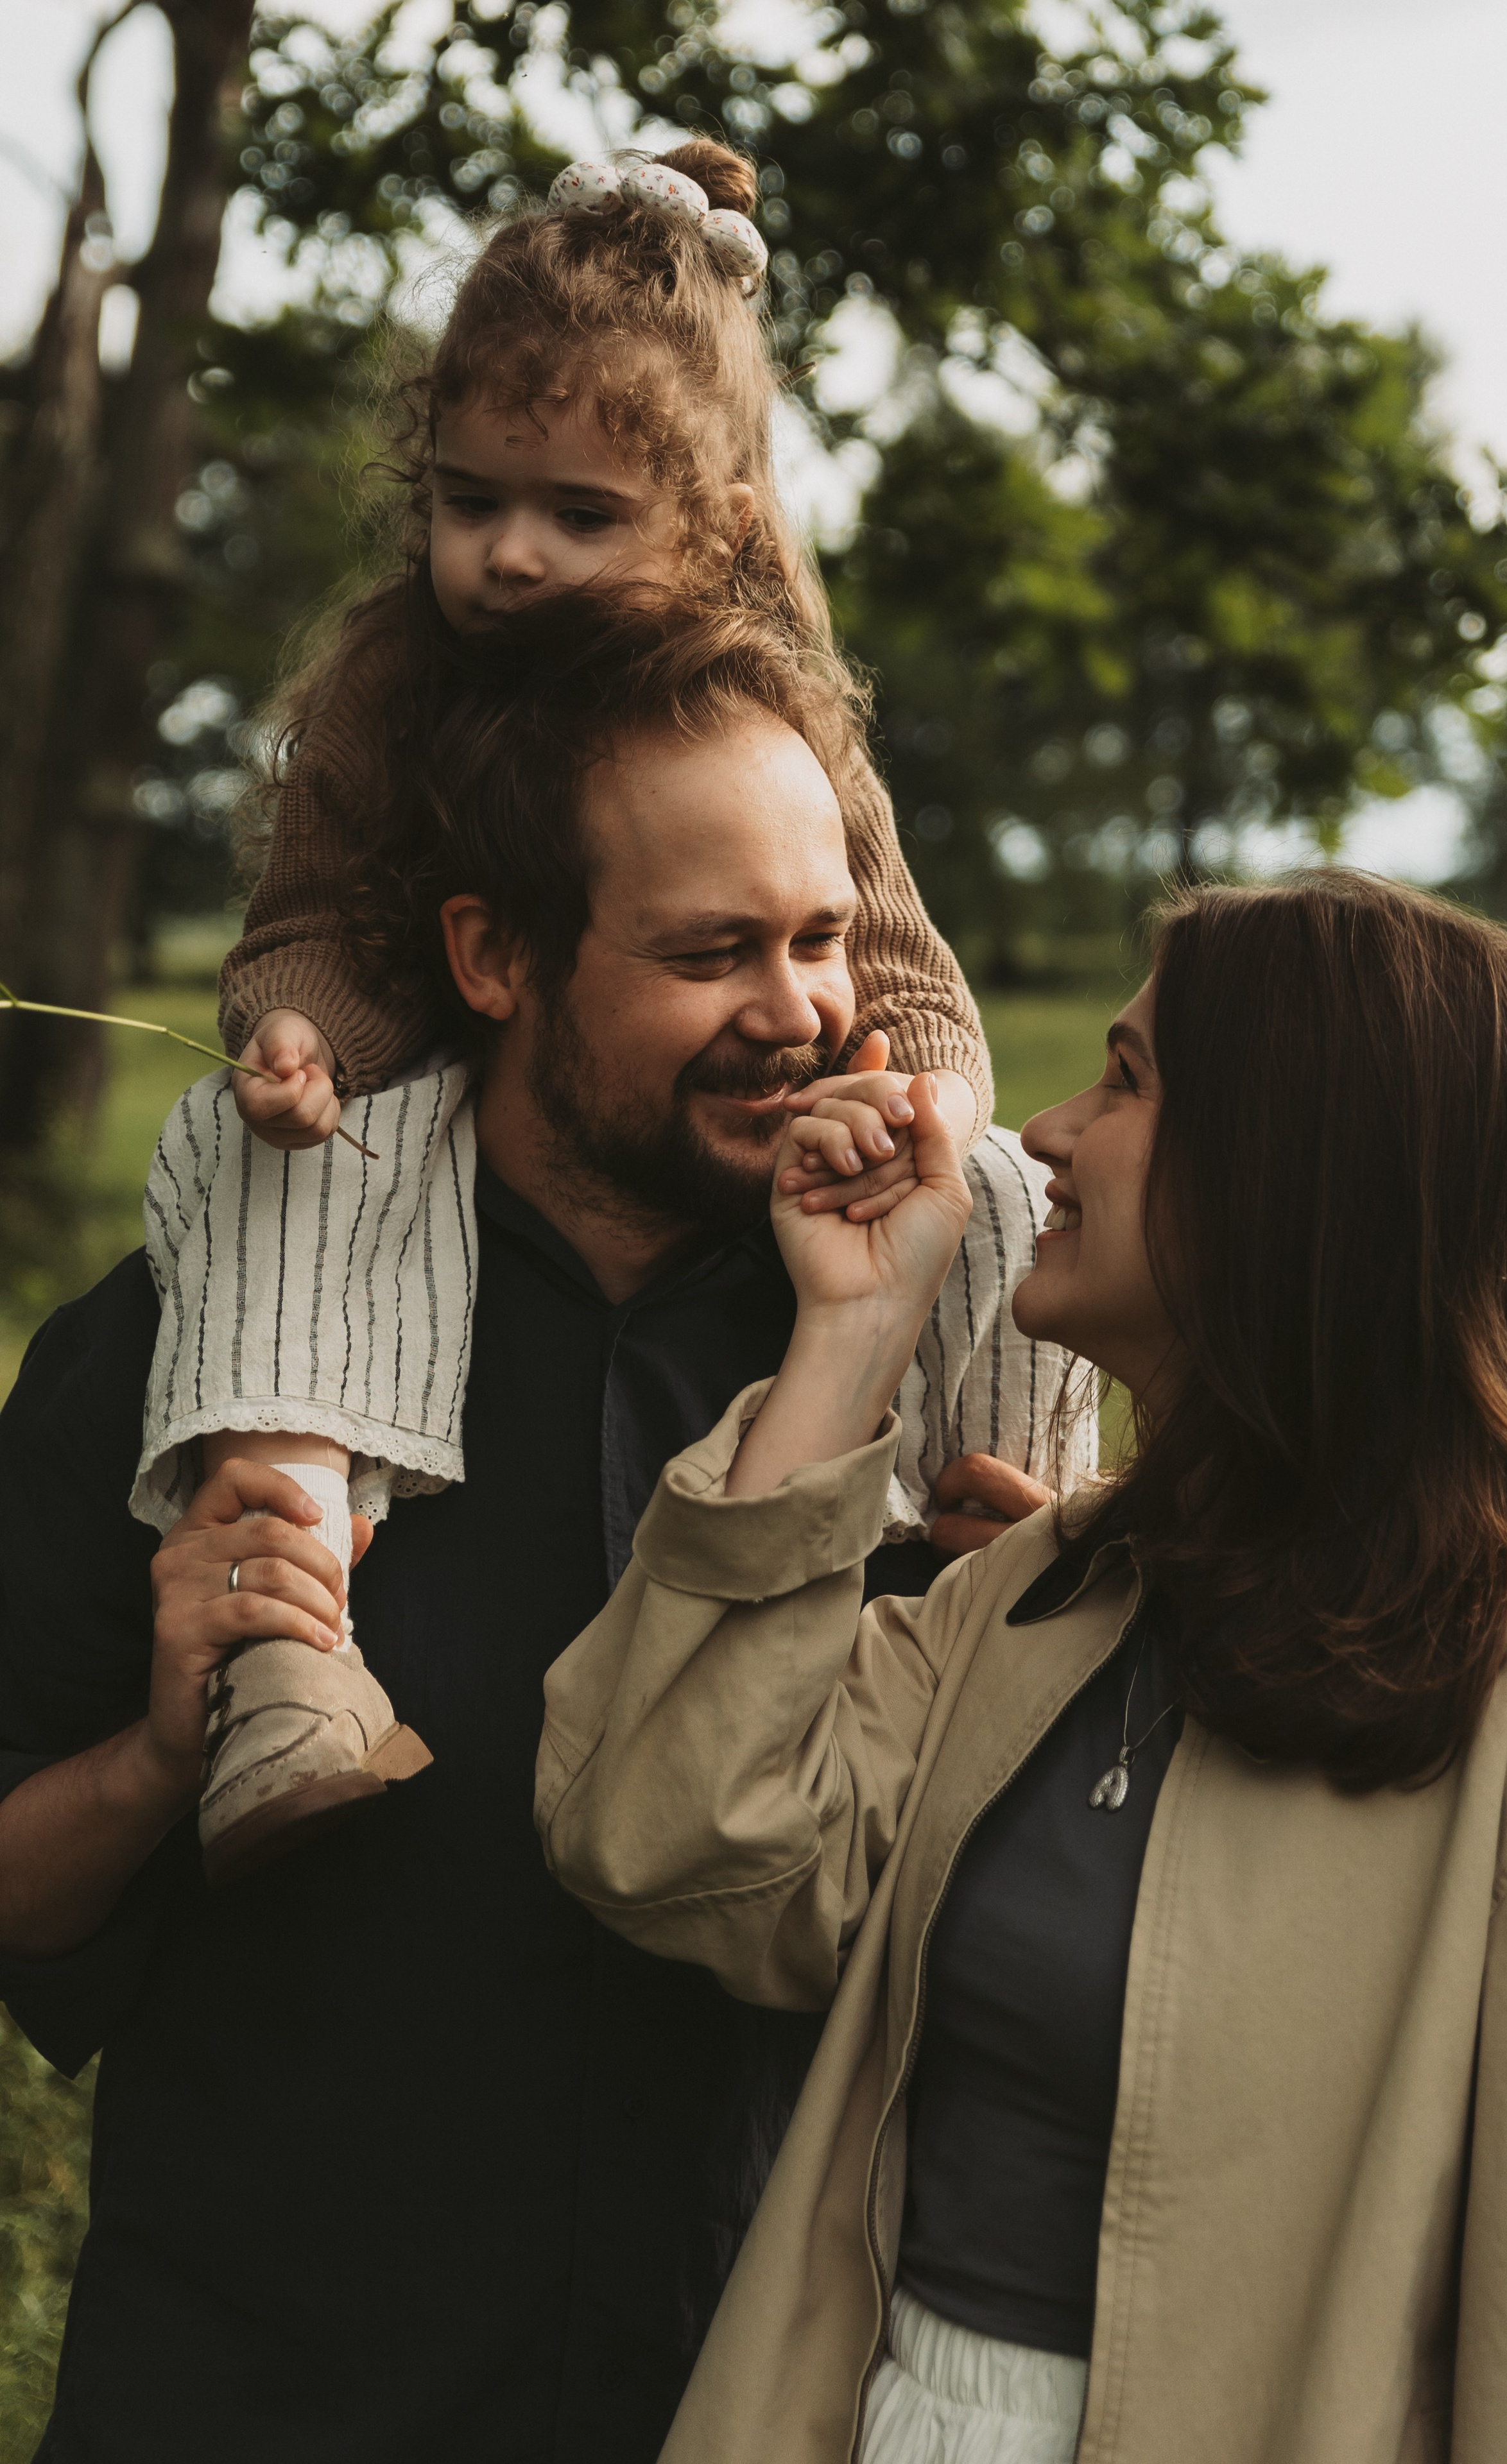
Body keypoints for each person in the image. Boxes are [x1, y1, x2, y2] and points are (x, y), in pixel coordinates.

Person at [0, 593, 1074, 2464]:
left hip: (750, 2401)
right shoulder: (229, 1336)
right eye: (711, 951)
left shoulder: (937, 1350)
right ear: (494, 956)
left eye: (826, 940)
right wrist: (164, 1748)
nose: (807, 1012)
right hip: (265, 2396)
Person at [538, 871, 1507, 2464]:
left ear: (1297, 1171)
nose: (1043, 1131)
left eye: (1125, 1081)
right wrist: (850, 1335)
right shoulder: (1049, 1594)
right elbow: (661, 1843)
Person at [133, 137, 995, 1879]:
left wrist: (938, 1108)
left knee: (1012, 1202)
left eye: (579, 517)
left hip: (654, 1118)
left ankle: (1011, 1557)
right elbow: (306, 923)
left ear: (716, 526)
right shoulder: (397, 681)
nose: (511, 556)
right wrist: (301, 1042)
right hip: (439, 1087)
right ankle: (298, 1637)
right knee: (270, 1166)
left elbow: (896, 960)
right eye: (471, 502)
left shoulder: (775, 713)